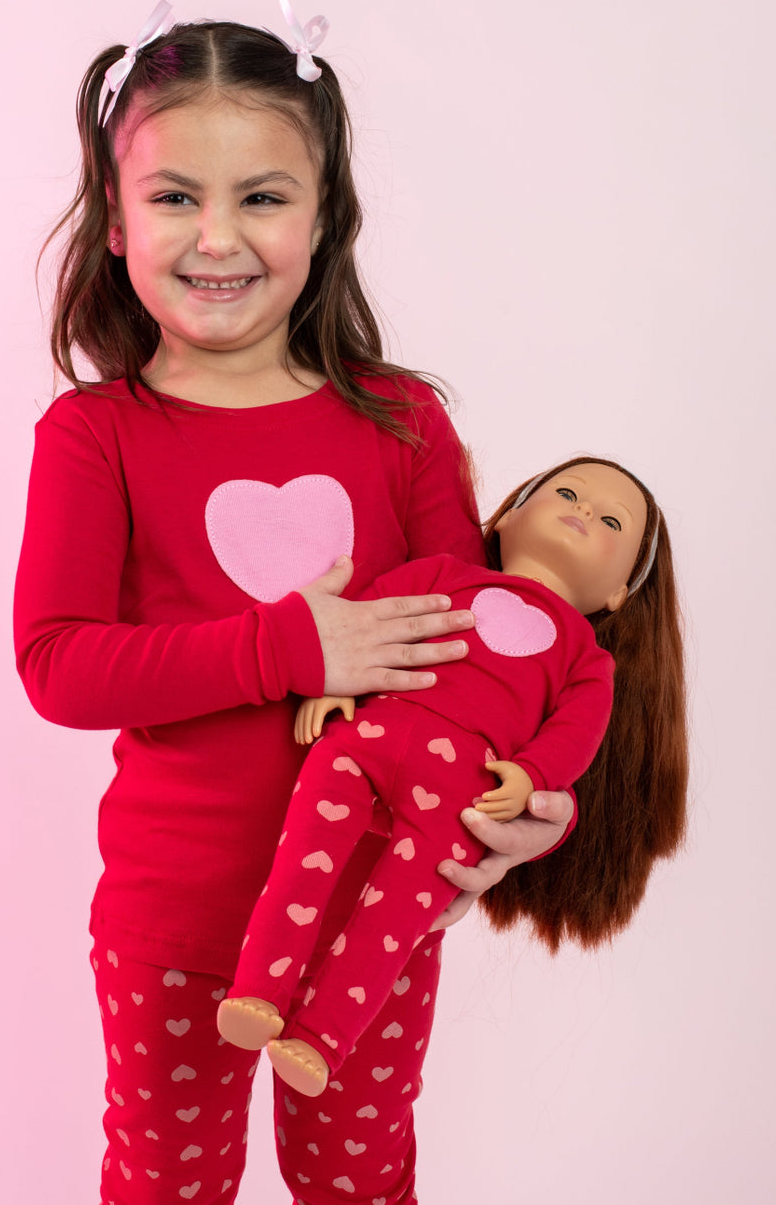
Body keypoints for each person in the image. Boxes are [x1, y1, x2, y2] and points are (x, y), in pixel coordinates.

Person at [14, 0, 576, 1205]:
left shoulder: (403, 424)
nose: (219, 235)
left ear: (326, 219)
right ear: (116, 220)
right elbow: (59, 665)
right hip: (173, 920)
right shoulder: (94, 436)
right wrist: (289, 645)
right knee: (168, 1185)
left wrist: (536, 810)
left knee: (362, 1184)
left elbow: (482, 669)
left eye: (263, 196)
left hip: (372, 916)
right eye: (175, 196)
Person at [217, 458, 689, 1097]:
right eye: (567, 493)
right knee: (303, 861)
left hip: (464, 795)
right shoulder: (443, 575)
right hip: (363, 742)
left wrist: (531, 776)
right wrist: (330, 682)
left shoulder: (587, 660)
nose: (582, 510)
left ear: (620, 594)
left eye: (611, 521)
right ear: (510, 518)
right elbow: (372, 618)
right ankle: (257, 993)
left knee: (394, 921)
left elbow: (574, 734)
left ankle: (321, 1039)